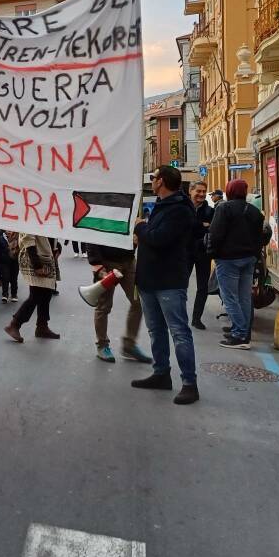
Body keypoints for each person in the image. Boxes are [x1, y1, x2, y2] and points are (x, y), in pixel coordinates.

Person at [131, 165, 200, 405]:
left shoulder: (179, 210)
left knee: (179, 332)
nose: (151, 180)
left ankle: (189, 383)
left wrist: (141, 227)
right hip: (150, 279)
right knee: (156, 330)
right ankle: (161, 373)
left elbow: (159, 239)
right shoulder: (163, 206)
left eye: (153, 177)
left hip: (169, 280)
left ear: (162, 182)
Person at [209, 178, 266, 350]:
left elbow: (216, 234)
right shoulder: (255, 211)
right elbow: (260, 236)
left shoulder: (224, 208)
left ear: (229, 191)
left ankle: (240, 335)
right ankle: (243, 331)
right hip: (249, 259)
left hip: (228, 259)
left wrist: (213, 253)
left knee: (230, 297)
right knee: (243, 297)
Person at [85, 241, 152, 364]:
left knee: (138, 301)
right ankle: (102, 345)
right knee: (104, 305)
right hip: (107, 262)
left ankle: (129, 345)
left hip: (129, 261)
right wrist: (96, 263)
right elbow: (91, 229)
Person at [3, 233, 60, 342]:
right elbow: (28, 238)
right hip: (35, 258)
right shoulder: (32, 216)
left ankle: (42, 326)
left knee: (46, 293)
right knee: (36, 294)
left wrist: (57, 247)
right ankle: (14, 324)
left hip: (45, 256)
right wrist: (37, 265)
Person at [189, 181, 215, 330]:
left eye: (204, 191)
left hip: (204, 252)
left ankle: (196, 318)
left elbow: (213, 228)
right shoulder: (184, 208)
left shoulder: (210, 211)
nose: (201, 194)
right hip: (185, 251)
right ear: (191, 191)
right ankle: (179, 316)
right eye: (198, 191)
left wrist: (199, 225)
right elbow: (183, 225)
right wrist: (201, 225)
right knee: (180, 286)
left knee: (203, 287)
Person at [0, 231, 20, 303]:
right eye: (7, 229)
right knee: (5, 278)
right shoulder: (1, 238)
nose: (9, 231)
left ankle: (14, 294)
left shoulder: (17, 238)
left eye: (10, 230)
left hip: (15, 261)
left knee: (14, 278)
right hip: (4, 262)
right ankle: (5, 295)